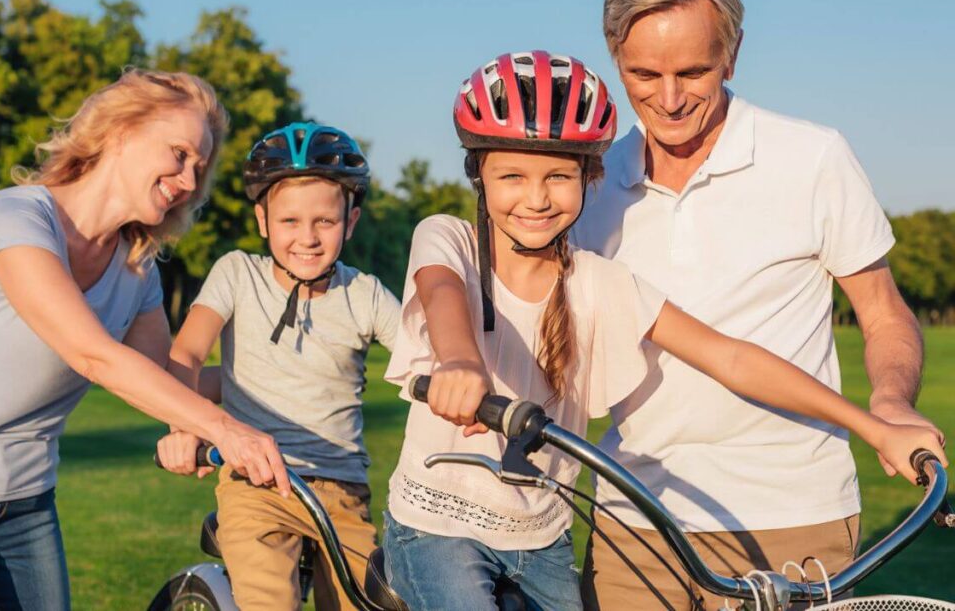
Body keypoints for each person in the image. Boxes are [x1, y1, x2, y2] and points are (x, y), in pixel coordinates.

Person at [379, 51, 945, 611]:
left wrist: (873, 427)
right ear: (478, 174)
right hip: (439, 525)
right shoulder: (449, 240)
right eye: (511, 176)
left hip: (541, 536)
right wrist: (460, 363)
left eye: (558, 175)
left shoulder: (602, 282)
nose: (535, 198)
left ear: (590, 178)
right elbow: (443, 297)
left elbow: (731, 359)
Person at [572, 0, 948, 611]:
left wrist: (889, 400)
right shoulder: (589, 184)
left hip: (792, 516)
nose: (669, 97)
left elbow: (884, 313)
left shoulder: (812, 158)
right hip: (633, 520)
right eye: (643, 74)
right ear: (614, 56)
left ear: (733, 53)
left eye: (693, 71)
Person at [0, 69, 291, 611]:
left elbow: (167, 382)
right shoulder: (15, 219)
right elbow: (93, 354)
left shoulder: (136, 270)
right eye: (178, 154)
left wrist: (284, 381)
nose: (190, 181)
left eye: (199, 167)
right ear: (121, 133)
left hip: (25, 508)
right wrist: (223, 428)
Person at [155, 122, 401, 611]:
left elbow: (427, 359)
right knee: (269, 600)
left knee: (372, 602)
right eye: (289, 221)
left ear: (350, 223)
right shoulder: (237, 274)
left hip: (342, 489)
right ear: (263, 221)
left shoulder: (365, 293)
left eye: (325, 222)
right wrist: (183, 427)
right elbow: (186, 355)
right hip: (253, 482)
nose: (307, 238)